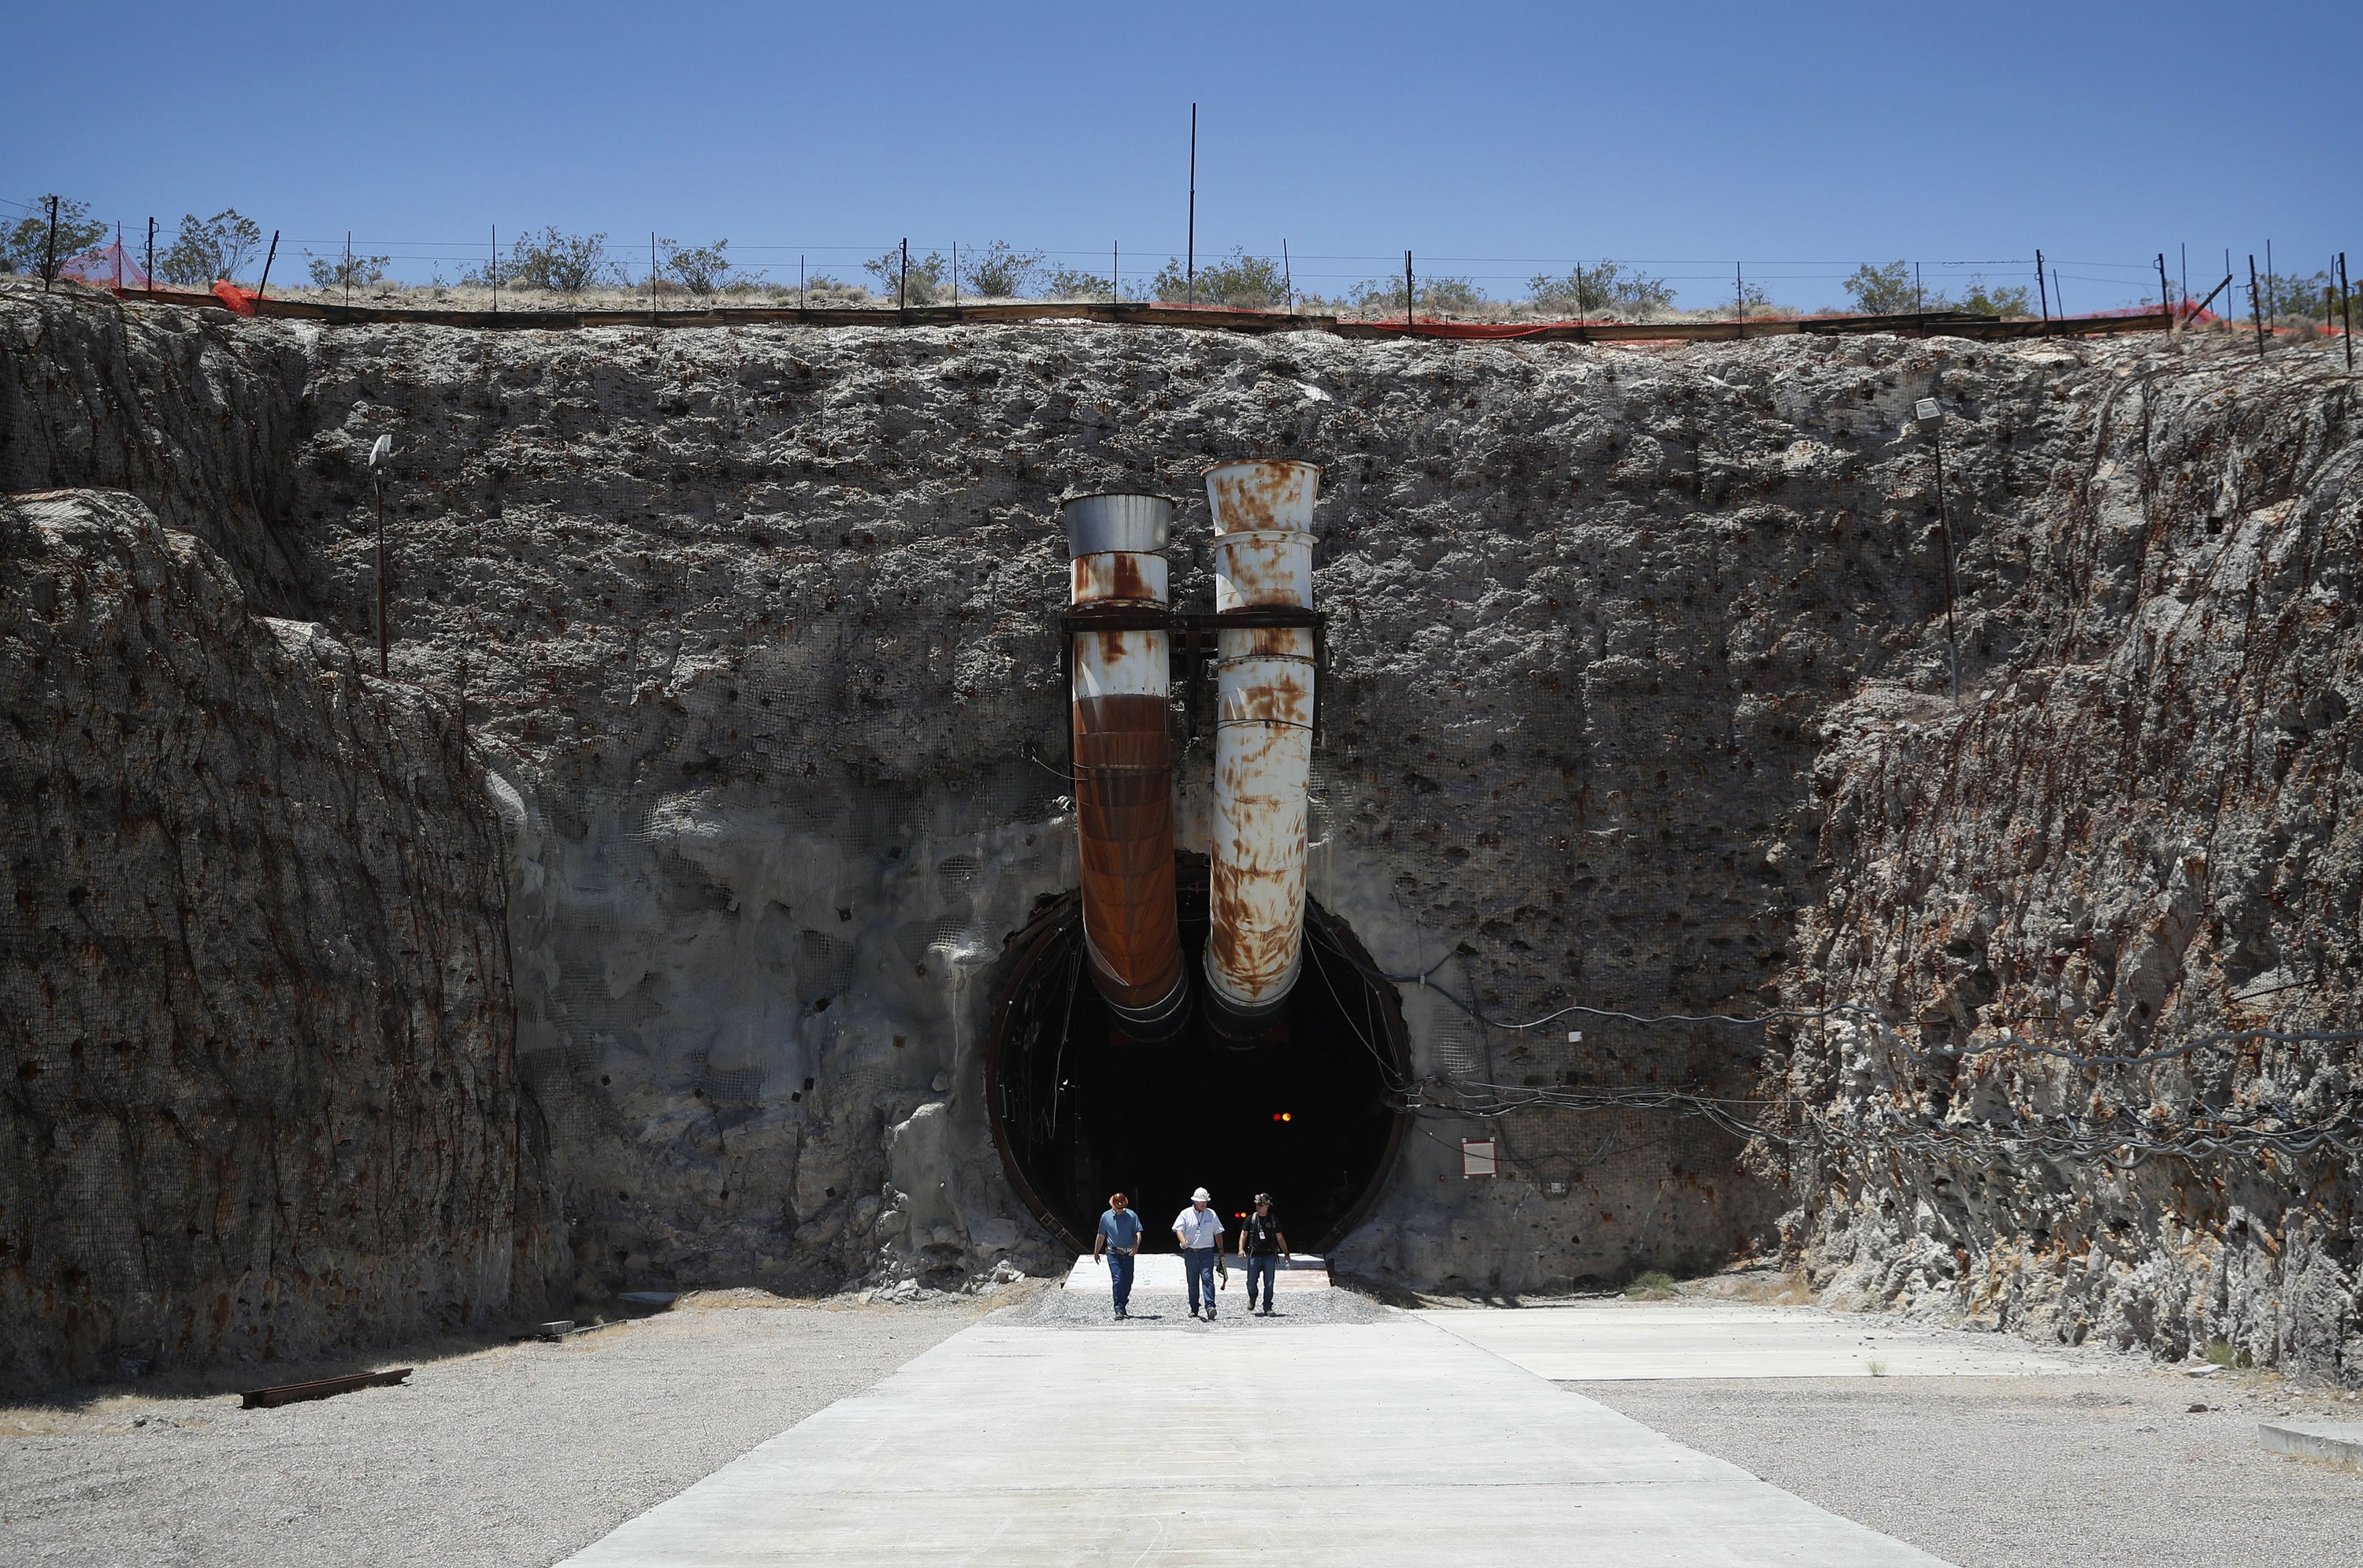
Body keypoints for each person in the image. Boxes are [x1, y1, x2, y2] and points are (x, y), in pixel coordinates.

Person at [1172, 1186, 1226, 1320]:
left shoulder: (1211, 1214)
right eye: (1202, 1201)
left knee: (1208, 1278)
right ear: (1195, 1201)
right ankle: (1194, 1307)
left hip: (1206, 1251)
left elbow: (1218, 1232)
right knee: (1193, 1281)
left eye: (1206, 1202)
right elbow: (1178, 1229)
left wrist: (1221, 1251)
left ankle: (1210, 1306)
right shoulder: (1185, 1214)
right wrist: (1183, 1240)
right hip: (1190, 1252)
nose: (1204, 1204)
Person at [1237, 1192, 1290, 1315]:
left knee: (1269, 1283)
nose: (1258, 1207)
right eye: (1257, 1204)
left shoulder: (1273, 1220)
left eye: (1261, 1205)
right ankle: (1253, 1296)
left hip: (1269, 1255)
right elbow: (1243, 1235)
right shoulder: (1251, 1219)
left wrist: (1286, 1253)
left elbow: (1280, 1238)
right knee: (1251, 1282)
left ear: (1267, 1206)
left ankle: (1267, 1307)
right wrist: (1241, 1249)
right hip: (1254, 1255)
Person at [1094, 1192, 1143, 1319]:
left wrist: (1136, 1245)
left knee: (1128, 1280)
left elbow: (1138, 1232)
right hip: (1113, 1253)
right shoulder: (1105, 1217)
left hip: (1128, 1253)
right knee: (1118, 1279)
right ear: (1113, 1205)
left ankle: (1122, 1301)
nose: (1120, 1210)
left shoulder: (1132, 1216)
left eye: (1122, 1207)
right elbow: (1101, 1235)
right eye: (1118, 1207)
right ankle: (1119, 1308)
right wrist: (1096, 1252)